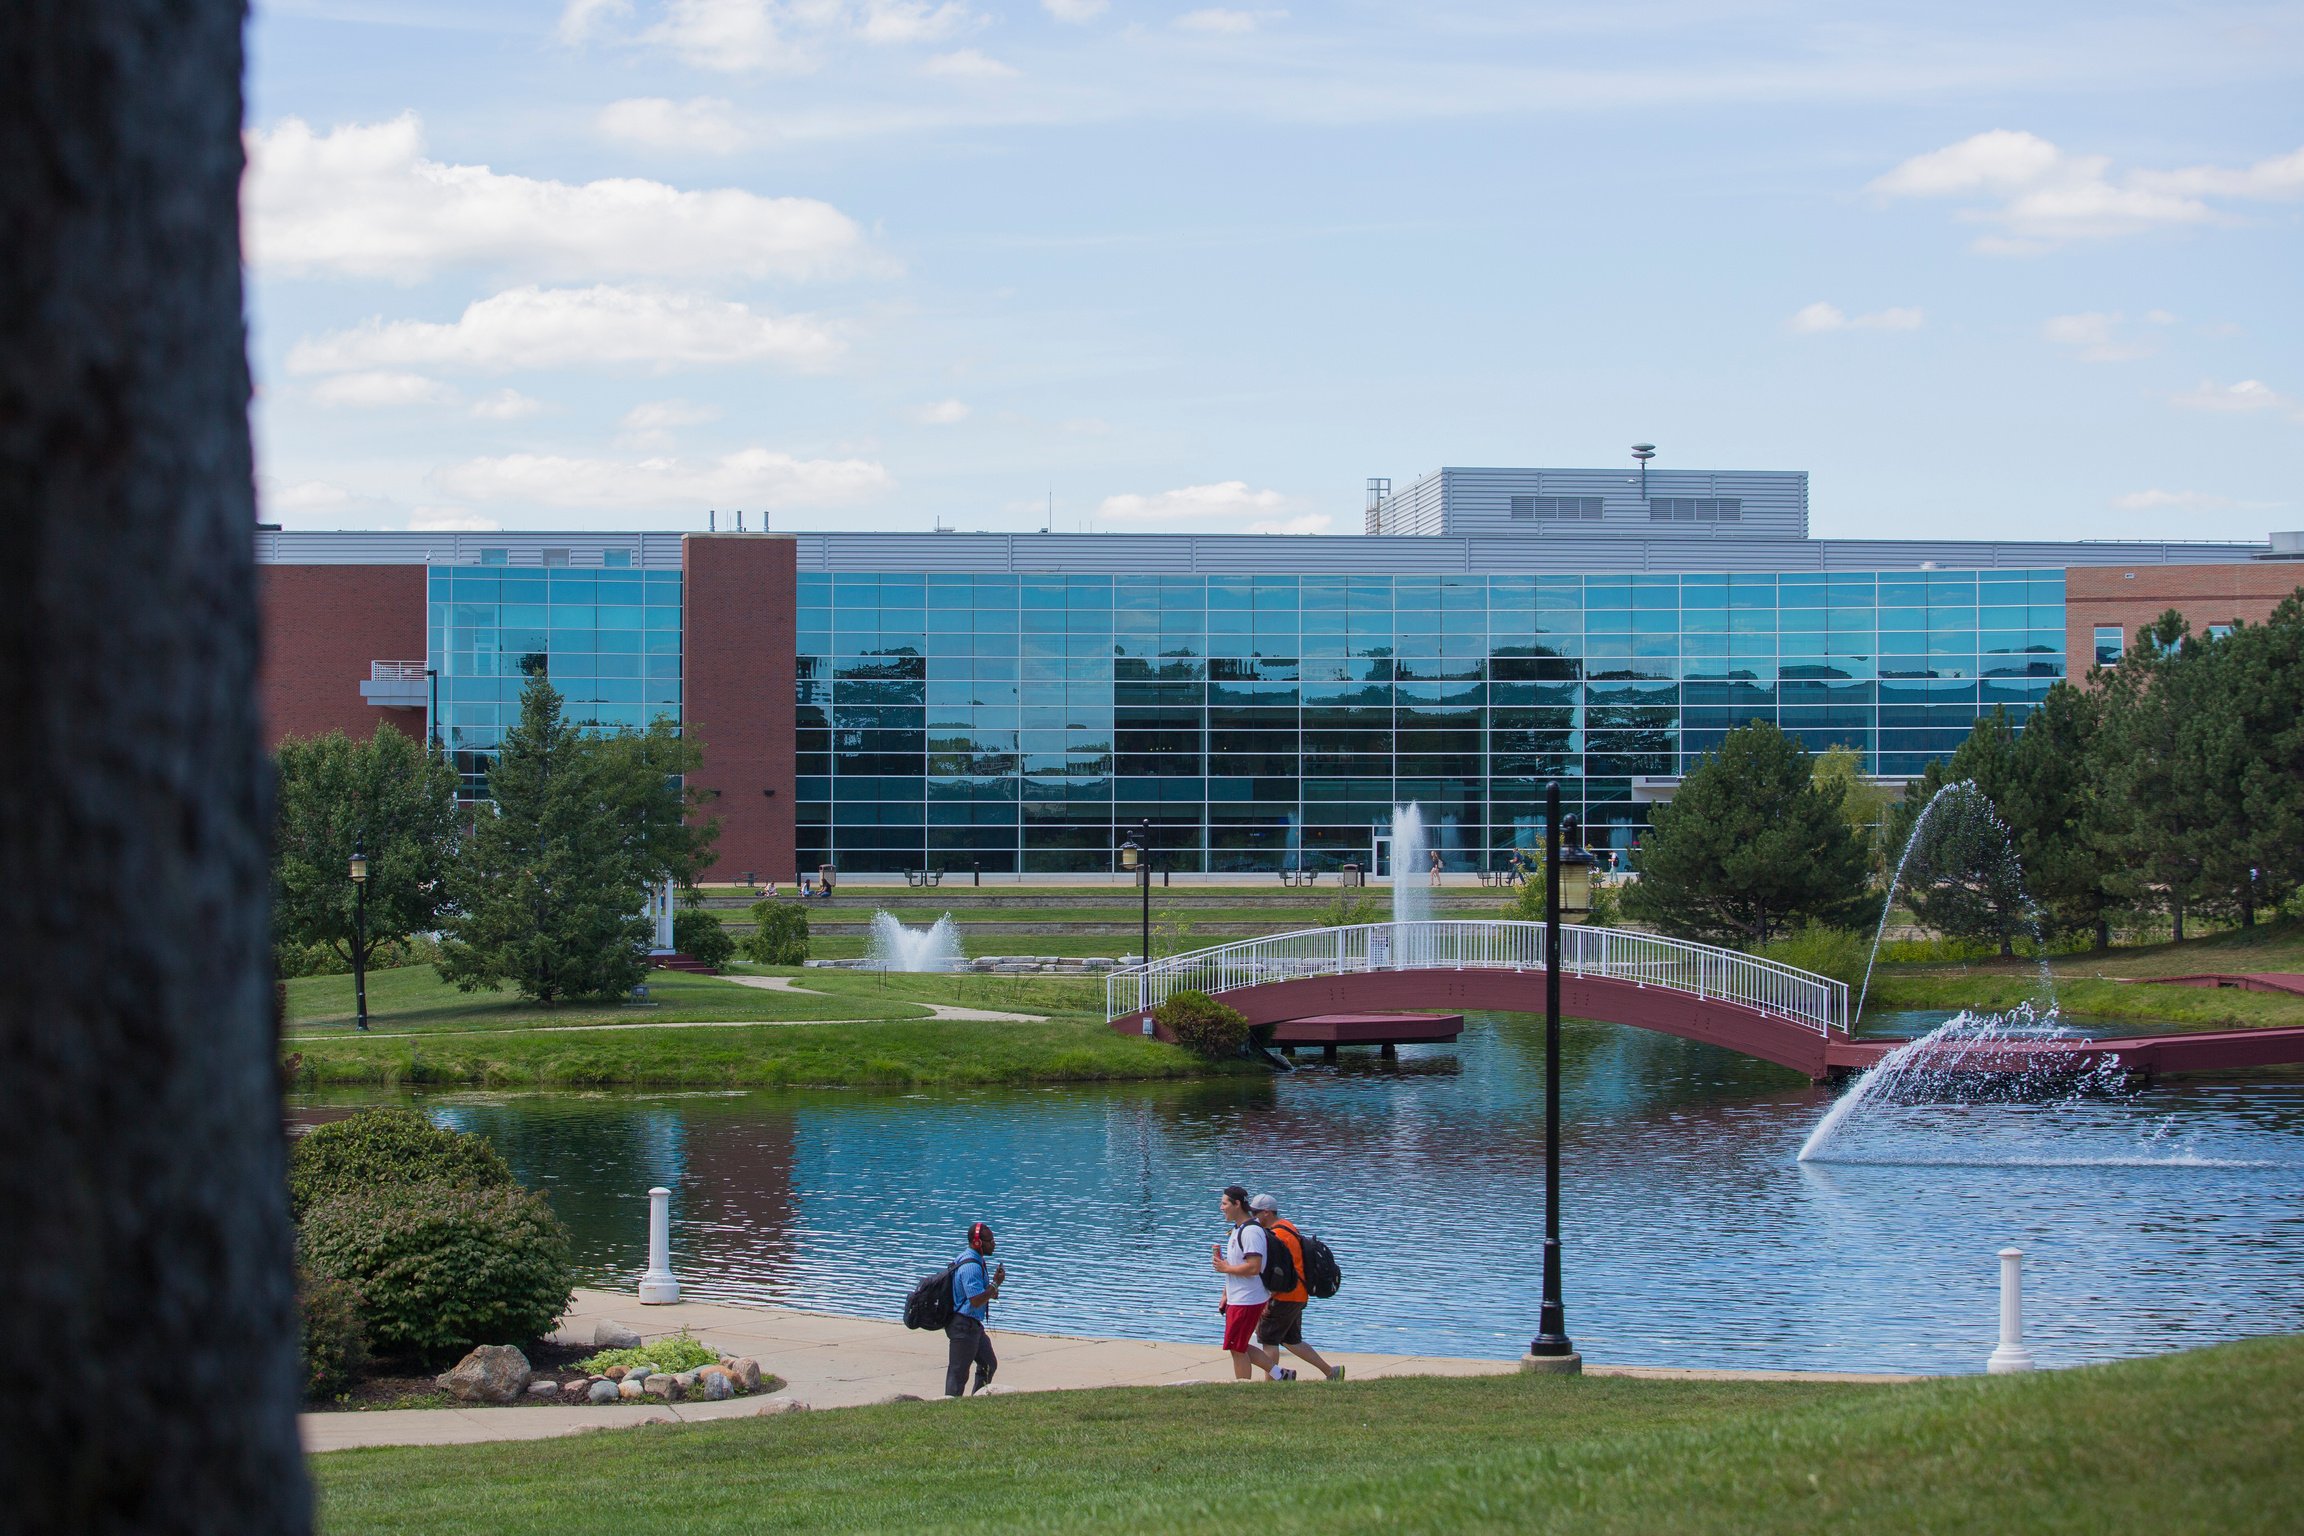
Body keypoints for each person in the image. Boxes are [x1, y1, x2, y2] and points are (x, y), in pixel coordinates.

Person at [1251, 1194, 1341, 1381]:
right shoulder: (1289, 1227)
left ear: (1266, 1212)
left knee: (1268, 1340)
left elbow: (1279, 1272)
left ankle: (1270, 1385)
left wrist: (1269, 1297)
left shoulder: (1277, 1235)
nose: (1253, 1217)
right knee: (1291, 1340)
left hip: (1283, 1296)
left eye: (1255, 1212)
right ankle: (1331, 1372)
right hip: (1298, 1294)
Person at [1211, 1185, 1284, 1380]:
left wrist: (1225, 1268)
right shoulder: (1237, 1230)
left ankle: (1243, 1387)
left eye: (1224, 1203)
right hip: (1238, 1297)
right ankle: (1281, 1374)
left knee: (1236, 1346)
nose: (1221, 1207)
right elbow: (1236, 1265)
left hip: (1248, 1299)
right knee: (1237, 1345)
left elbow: (1254, 1267)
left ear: (1237, 1204)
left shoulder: (1251, 1232)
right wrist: (1225, 1294)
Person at [944, 1220, 1005, 1398]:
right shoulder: (971, 1266)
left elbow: (980, 1293)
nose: (994, 1244)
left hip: (973, 1326)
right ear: (977, 1243)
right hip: (963, 1325)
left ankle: (977, 1400)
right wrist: (995, 1284)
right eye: (990, 1241)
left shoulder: (977, 1261)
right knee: (958, 1372)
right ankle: (949, 1408)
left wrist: (992, 1289)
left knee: (988, 1364)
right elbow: (977, 1300)